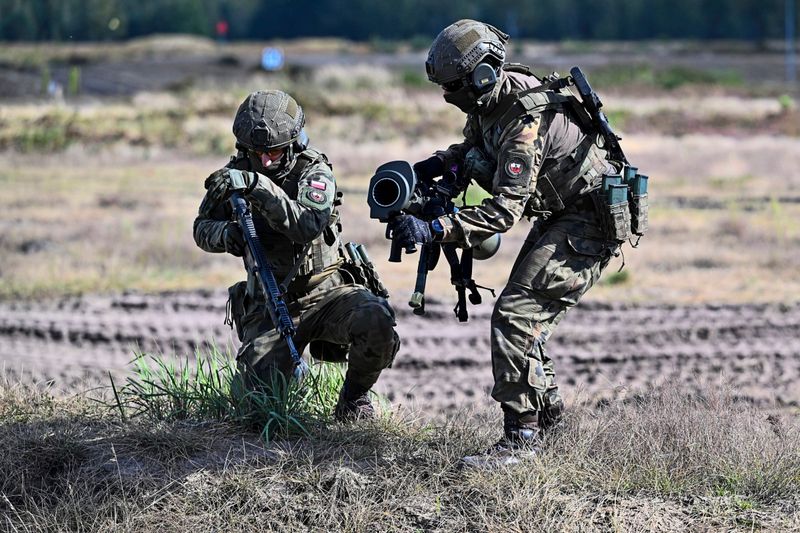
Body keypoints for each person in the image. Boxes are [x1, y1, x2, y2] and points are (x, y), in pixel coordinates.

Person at [390, 20, 627, 464]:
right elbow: (474, 148)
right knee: (525, 320)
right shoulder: (490, 100)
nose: (448, 96)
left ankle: (522, 442)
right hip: (563, 212)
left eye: (453, 86)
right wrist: (437, 165)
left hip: (586, 222)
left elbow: (503, 213)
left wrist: (435, 229)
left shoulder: (523, 122)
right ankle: (552, 425)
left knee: (515, 315)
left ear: (480, 75)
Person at [194, 90, 400, 421]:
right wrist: (225, 235)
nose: (265, 161)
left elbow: (306, 224)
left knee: (377, 321)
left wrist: (256, 187)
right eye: (256, 152)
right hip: (269, 303)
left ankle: (353, 400)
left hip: (326, 294)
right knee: (258, 408)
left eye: (273, 151)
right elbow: (201, 227)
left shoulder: (313, 172)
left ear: (293, 142)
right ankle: (282, 381)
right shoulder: (235, 173)